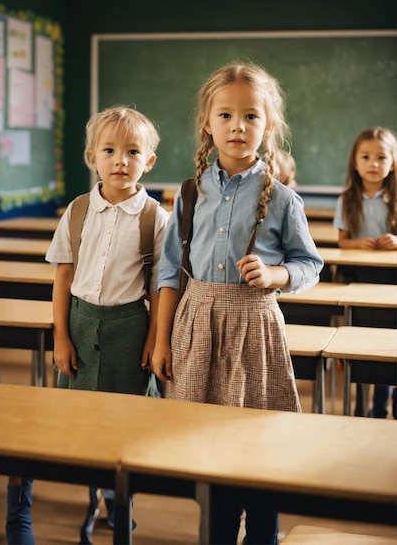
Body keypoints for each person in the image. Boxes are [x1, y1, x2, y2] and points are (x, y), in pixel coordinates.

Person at [152, 61, 323, 545]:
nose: (237, 126)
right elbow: (168, 273)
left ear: (268, 126)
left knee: (258, 440)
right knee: (208, 446)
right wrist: (161, 341)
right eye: (225, 116)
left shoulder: (284, 199)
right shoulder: (189, 193)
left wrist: (276, 275)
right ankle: (219, 533)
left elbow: (309, 264)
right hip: (196, 325)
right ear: (208, 122)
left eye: (251, 116)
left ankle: (263, 534)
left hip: (255, 329)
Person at [5, 106, 168, 545]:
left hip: (130, 328)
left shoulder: (156, 219)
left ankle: (119, 501)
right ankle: (71, 497)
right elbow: (63, 276)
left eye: (133, 151)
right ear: (91, 156)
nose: (120, 161)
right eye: (109, 150)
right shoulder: (78, 211)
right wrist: (60, 336)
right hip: (79, 324)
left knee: (123, 423)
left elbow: (159, 291)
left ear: (148, 161)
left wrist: (154, 343)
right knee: (75, 418)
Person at [333, 127, 397, 419]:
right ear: (355, 162)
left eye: (381, 157)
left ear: (392, 163)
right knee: (362, 348)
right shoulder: (347, 199)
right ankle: (362, 406)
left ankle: (384, 402)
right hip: (359, 279)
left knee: (389, 346)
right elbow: (343, 241)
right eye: (366, 157)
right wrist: (359, 244)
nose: (373, 164)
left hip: (391, 283)